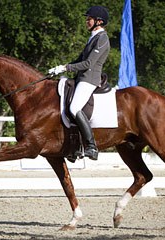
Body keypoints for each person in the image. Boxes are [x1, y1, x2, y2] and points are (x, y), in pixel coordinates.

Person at [49, 6, 110, 160]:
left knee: (74, 107)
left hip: (89, 79)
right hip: (80, 78)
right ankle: (75, 147)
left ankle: (91, 146)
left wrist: (66, 67)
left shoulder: (102, 38)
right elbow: (79, 60)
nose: (86, 21)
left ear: (99, 21)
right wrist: (60, 69)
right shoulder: (93, 37)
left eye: (89, 19)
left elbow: (89, 63)